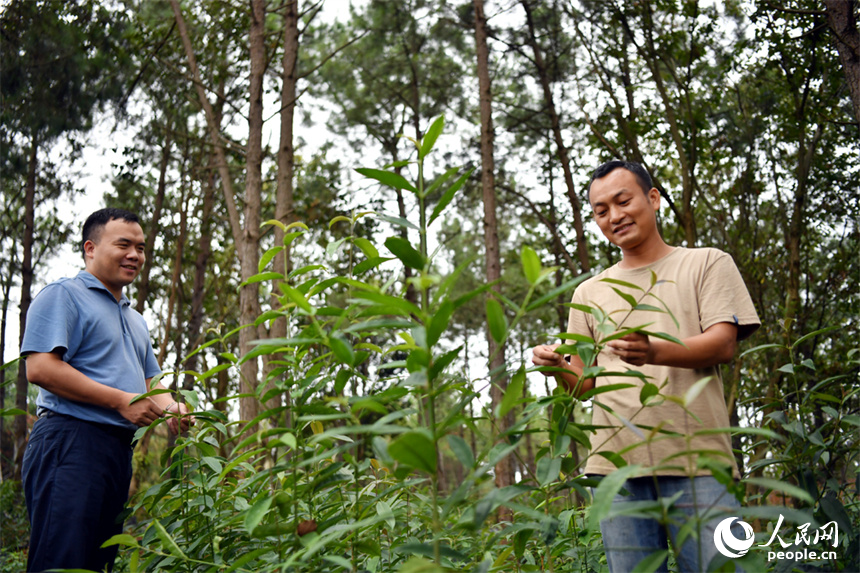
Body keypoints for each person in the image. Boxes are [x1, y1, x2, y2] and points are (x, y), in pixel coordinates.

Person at [532, 161, 760, 572]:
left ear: (653, 199)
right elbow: (584, 383)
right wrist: (555, 367)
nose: (615, 216)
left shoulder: (706, 263)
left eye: (623, 201)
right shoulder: (589, 291)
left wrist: (654, 350)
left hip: (698, 462)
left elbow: (723, 343)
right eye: (601, 211)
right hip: (616, 471)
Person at [20, 208, 193, 572]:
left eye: (141, 248)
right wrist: (121, 401)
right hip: (70, 442)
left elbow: (150, 383)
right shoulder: (63, 295)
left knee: (97, 563)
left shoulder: (135, 318)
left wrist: (173, 407)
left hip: (116, 451)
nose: (135, 255)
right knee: (61, 561)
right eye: (124, 244)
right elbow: (40, 368)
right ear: (90, 248)